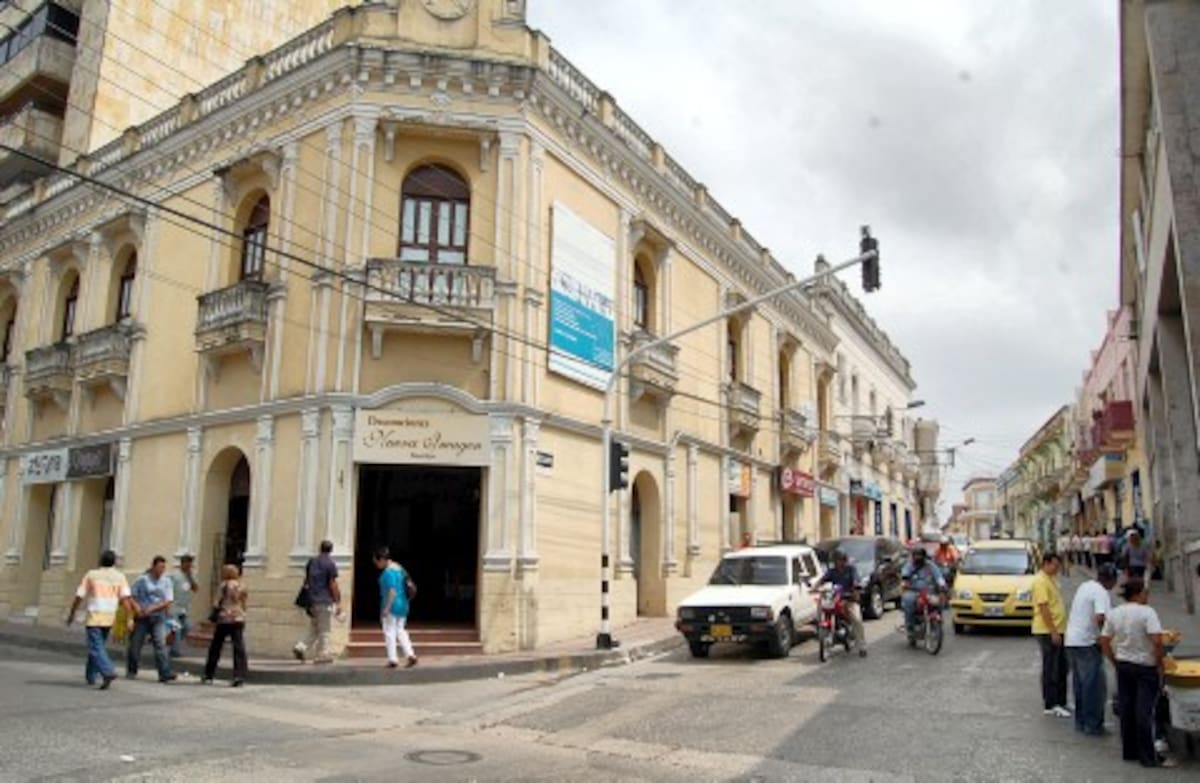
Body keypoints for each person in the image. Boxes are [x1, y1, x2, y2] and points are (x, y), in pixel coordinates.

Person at [1100, 579, 1174, 768]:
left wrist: (1114, 660)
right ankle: (1149, 756)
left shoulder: (1115, 613)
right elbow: (1157, 641)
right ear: (1138, 593)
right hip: (1145, 666)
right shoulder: (1147, 613)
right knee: (1146, 711)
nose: (1147, 596)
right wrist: (1159, 662)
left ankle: (1130, 751)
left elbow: (1104, 640)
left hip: (1124, 665)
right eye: (1145, 593)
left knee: (1127, 708)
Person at [65, 550, 133, 690]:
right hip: (109, 616)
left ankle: (107, 671)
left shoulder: (92, 575)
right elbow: (126, 599)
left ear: (100, 561)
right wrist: (130, 618)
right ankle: (90, 675)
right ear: (114, 562)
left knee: (95, 647)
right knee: (98, 646)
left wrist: (72, 613)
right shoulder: (120, 577)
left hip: (95, 616)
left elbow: (79, 595)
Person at [1066, 563, 1118, 735]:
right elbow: (1100, 617)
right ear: (1111, 580)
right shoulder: (1101, 592)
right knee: (1094, 685)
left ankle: (1081, 721)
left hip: (1073, 641)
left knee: (1080, 684)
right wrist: (1104, 638)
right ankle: (1093, 724)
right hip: (1087, 643)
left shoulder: (1085, 586)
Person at [127, 555, 176, 682]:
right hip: (142, 617)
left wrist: (154, 608)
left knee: (160, 644)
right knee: (136, 644)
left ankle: (164, 672)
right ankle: (132, 669)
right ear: (153, 566)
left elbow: (168, 601)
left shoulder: (167, 581)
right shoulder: (142, 580)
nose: (162, 570)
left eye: (164, 567)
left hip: (158, 617)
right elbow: (131, 595)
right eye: (160, 567)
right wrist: (137, 607)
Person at [1032, 552, 1069, 718]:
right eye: (1055, 565)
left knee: (1061, 666)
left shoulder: (1051, 578)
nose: (1057, 568)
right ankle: (1050, 703)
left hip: (1059, 628)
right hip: (1047, 630)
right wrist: (1053, 631)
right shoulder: (1040, 581)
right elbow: (1044, 608)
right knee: (1051, 667)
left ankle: (1061, 701)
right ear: (1046, 563)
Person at [293, 540, 341, 664]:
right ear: (331, 550)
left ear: (320, 548)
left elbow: (307, 580)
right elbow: (332, 584)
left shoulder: (312, 562)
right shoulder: (330, 564)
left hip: (311, 600)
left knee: (314, 628)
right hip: (324, 600)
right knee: (325, 629)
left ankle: (301, 647)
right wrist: (337, 601)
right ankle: (323, 654)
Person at [813, 549, 866, 657]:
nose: (838, 562)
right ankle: (828, 633)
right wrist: (815, 587)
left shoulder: (851, 570)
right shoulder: (832, 572)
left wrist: (856, 588)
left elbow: (856, 580)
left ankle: (862, 646)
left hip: (850, 599)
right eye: (836, 560)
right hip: (835, 599)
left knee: (857, 619)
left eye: (840, 560)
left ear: (844, 560)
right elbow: (823, 579)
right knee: (821, 609)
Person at [203, 564, 248, 686]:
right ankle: (239, 675)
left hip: (224, 619)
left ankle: (209, 674)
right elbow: (244, 603)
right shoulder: (242, 586)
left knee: (216, 647)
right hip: (238, 619)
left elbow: (216, 603)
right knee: (238, 648)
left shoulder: (223, 585)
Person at [374, 547, 418, 669]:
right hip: (403, 604)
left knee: (389, 632)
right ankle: (410, 654)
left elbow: (392, 591)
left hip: (391, 605)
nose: (377, 565)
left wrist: (387, 608)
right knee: (401, 631)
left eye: (377, 562)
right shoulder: (400, 569)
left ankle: (393, 659)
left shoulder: (388, 572)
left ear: (382, 559)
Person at [900, 545, 946, 638]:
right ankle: (910, 627)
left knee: (939, 601)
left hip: (929, 592)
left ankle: (937, 622)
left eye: (920, 555)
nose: (918, 558)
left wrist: (942, 586)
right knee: (908, 601)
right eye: (916, 555)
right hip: (913, 591)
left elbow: (939, 576)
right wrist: (905, 579)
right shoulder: (910, 565)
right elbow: (904, 573)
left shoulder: (930, 565)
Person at [168, 554, 198, 658]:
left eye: (191, 564)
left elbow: (195, 589)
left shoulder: (190, 576)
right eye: (187, 564)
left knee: (187, 627)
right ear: (182, 563)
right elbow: (168, 590)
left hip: (184, 608)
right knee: (177, 629)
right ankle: (175, 651)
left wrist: (190, 577)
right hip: (173, 607)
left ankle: (173, 645)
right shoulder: (174, 576)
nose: (189, 566)